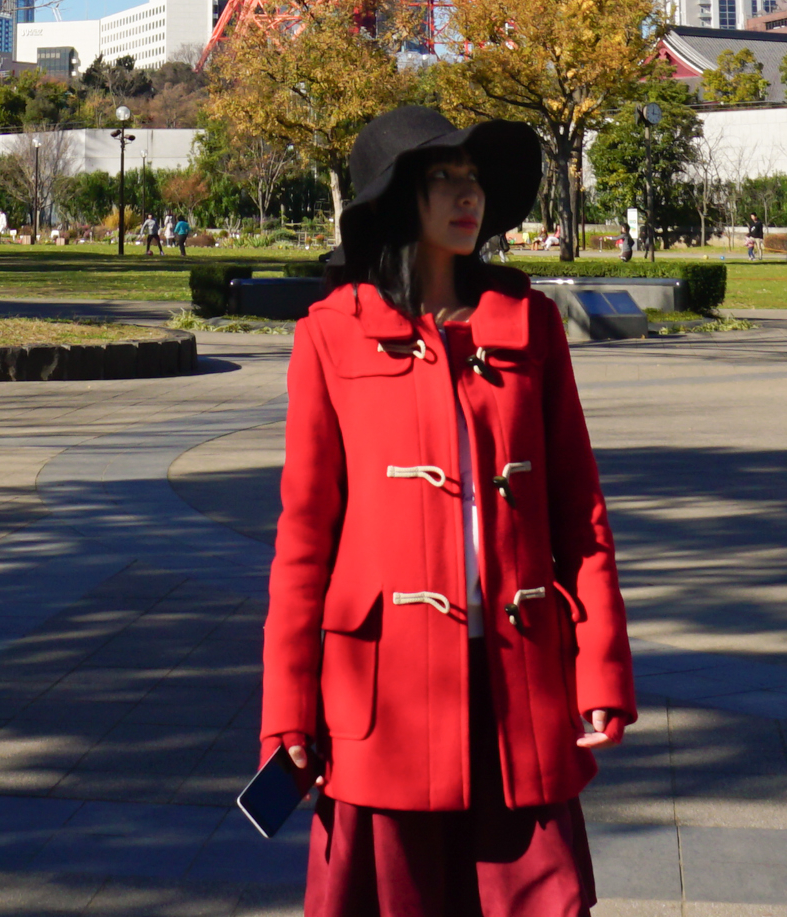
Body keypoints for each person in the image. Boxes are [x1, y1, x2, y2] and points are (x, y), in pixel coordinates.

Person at [264, 105, 630, 916]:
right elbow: (303, 540)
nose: (471, 197)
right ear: (400, 198)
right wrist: (287, 706)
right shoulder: (332, 334)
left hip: (518, 684)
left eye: (476, 181)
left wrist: (601, 662)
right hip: (383, 696)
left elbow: (581, 515)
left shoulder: (529, 326)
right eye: (446, 179)